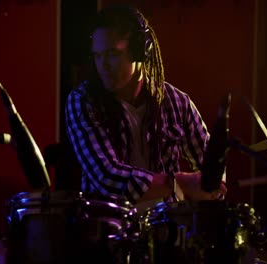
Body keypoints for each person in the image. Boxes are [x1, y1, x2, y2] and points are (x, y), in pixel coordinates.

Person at [64, 5, 226, 207]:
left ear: (141, 51)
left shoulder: (178, 102)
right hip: (108, 233)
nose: (102, 66)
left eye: (113, 54)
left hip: (167, 233)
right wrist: (179, 182)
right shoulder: (83, 101)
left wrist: (210, 184)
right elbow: (107, 177)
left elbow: (210, 165)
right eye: (98, 56)